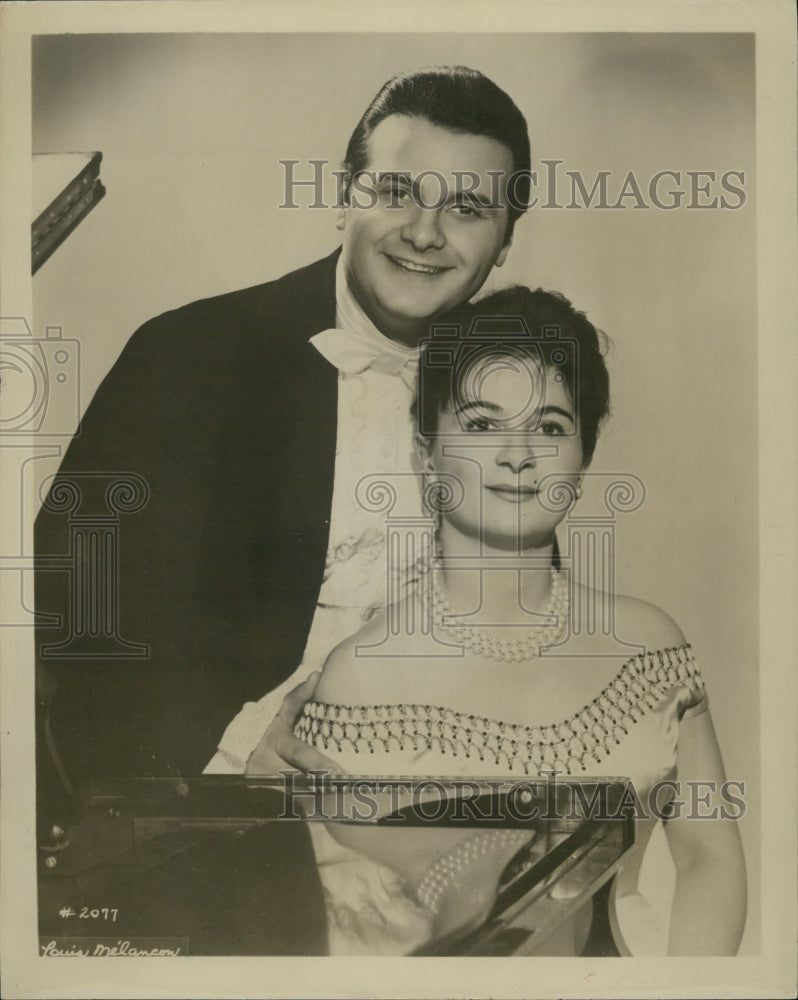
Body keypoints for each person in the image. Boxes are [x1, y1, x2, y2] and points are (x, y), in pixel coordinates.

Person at [34, 66, 531, 785]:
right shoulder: (188, 354)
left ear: (505, 242)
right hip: (208, 808)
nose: (425, 234)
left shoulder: (514, 391)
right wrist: (232, 744)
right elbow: (76, 612)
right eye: (396, 191)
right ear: (342, 195)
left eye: (468, 209)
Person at [276, 286, 747, 956]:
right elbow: (350, 918)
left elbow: (708, 858)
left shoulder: (650, 647)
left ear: (583, 457)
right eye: (482, 425)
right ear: (425, 453)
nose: (519, 453)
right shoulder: (361, 673)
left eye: (551, 427)